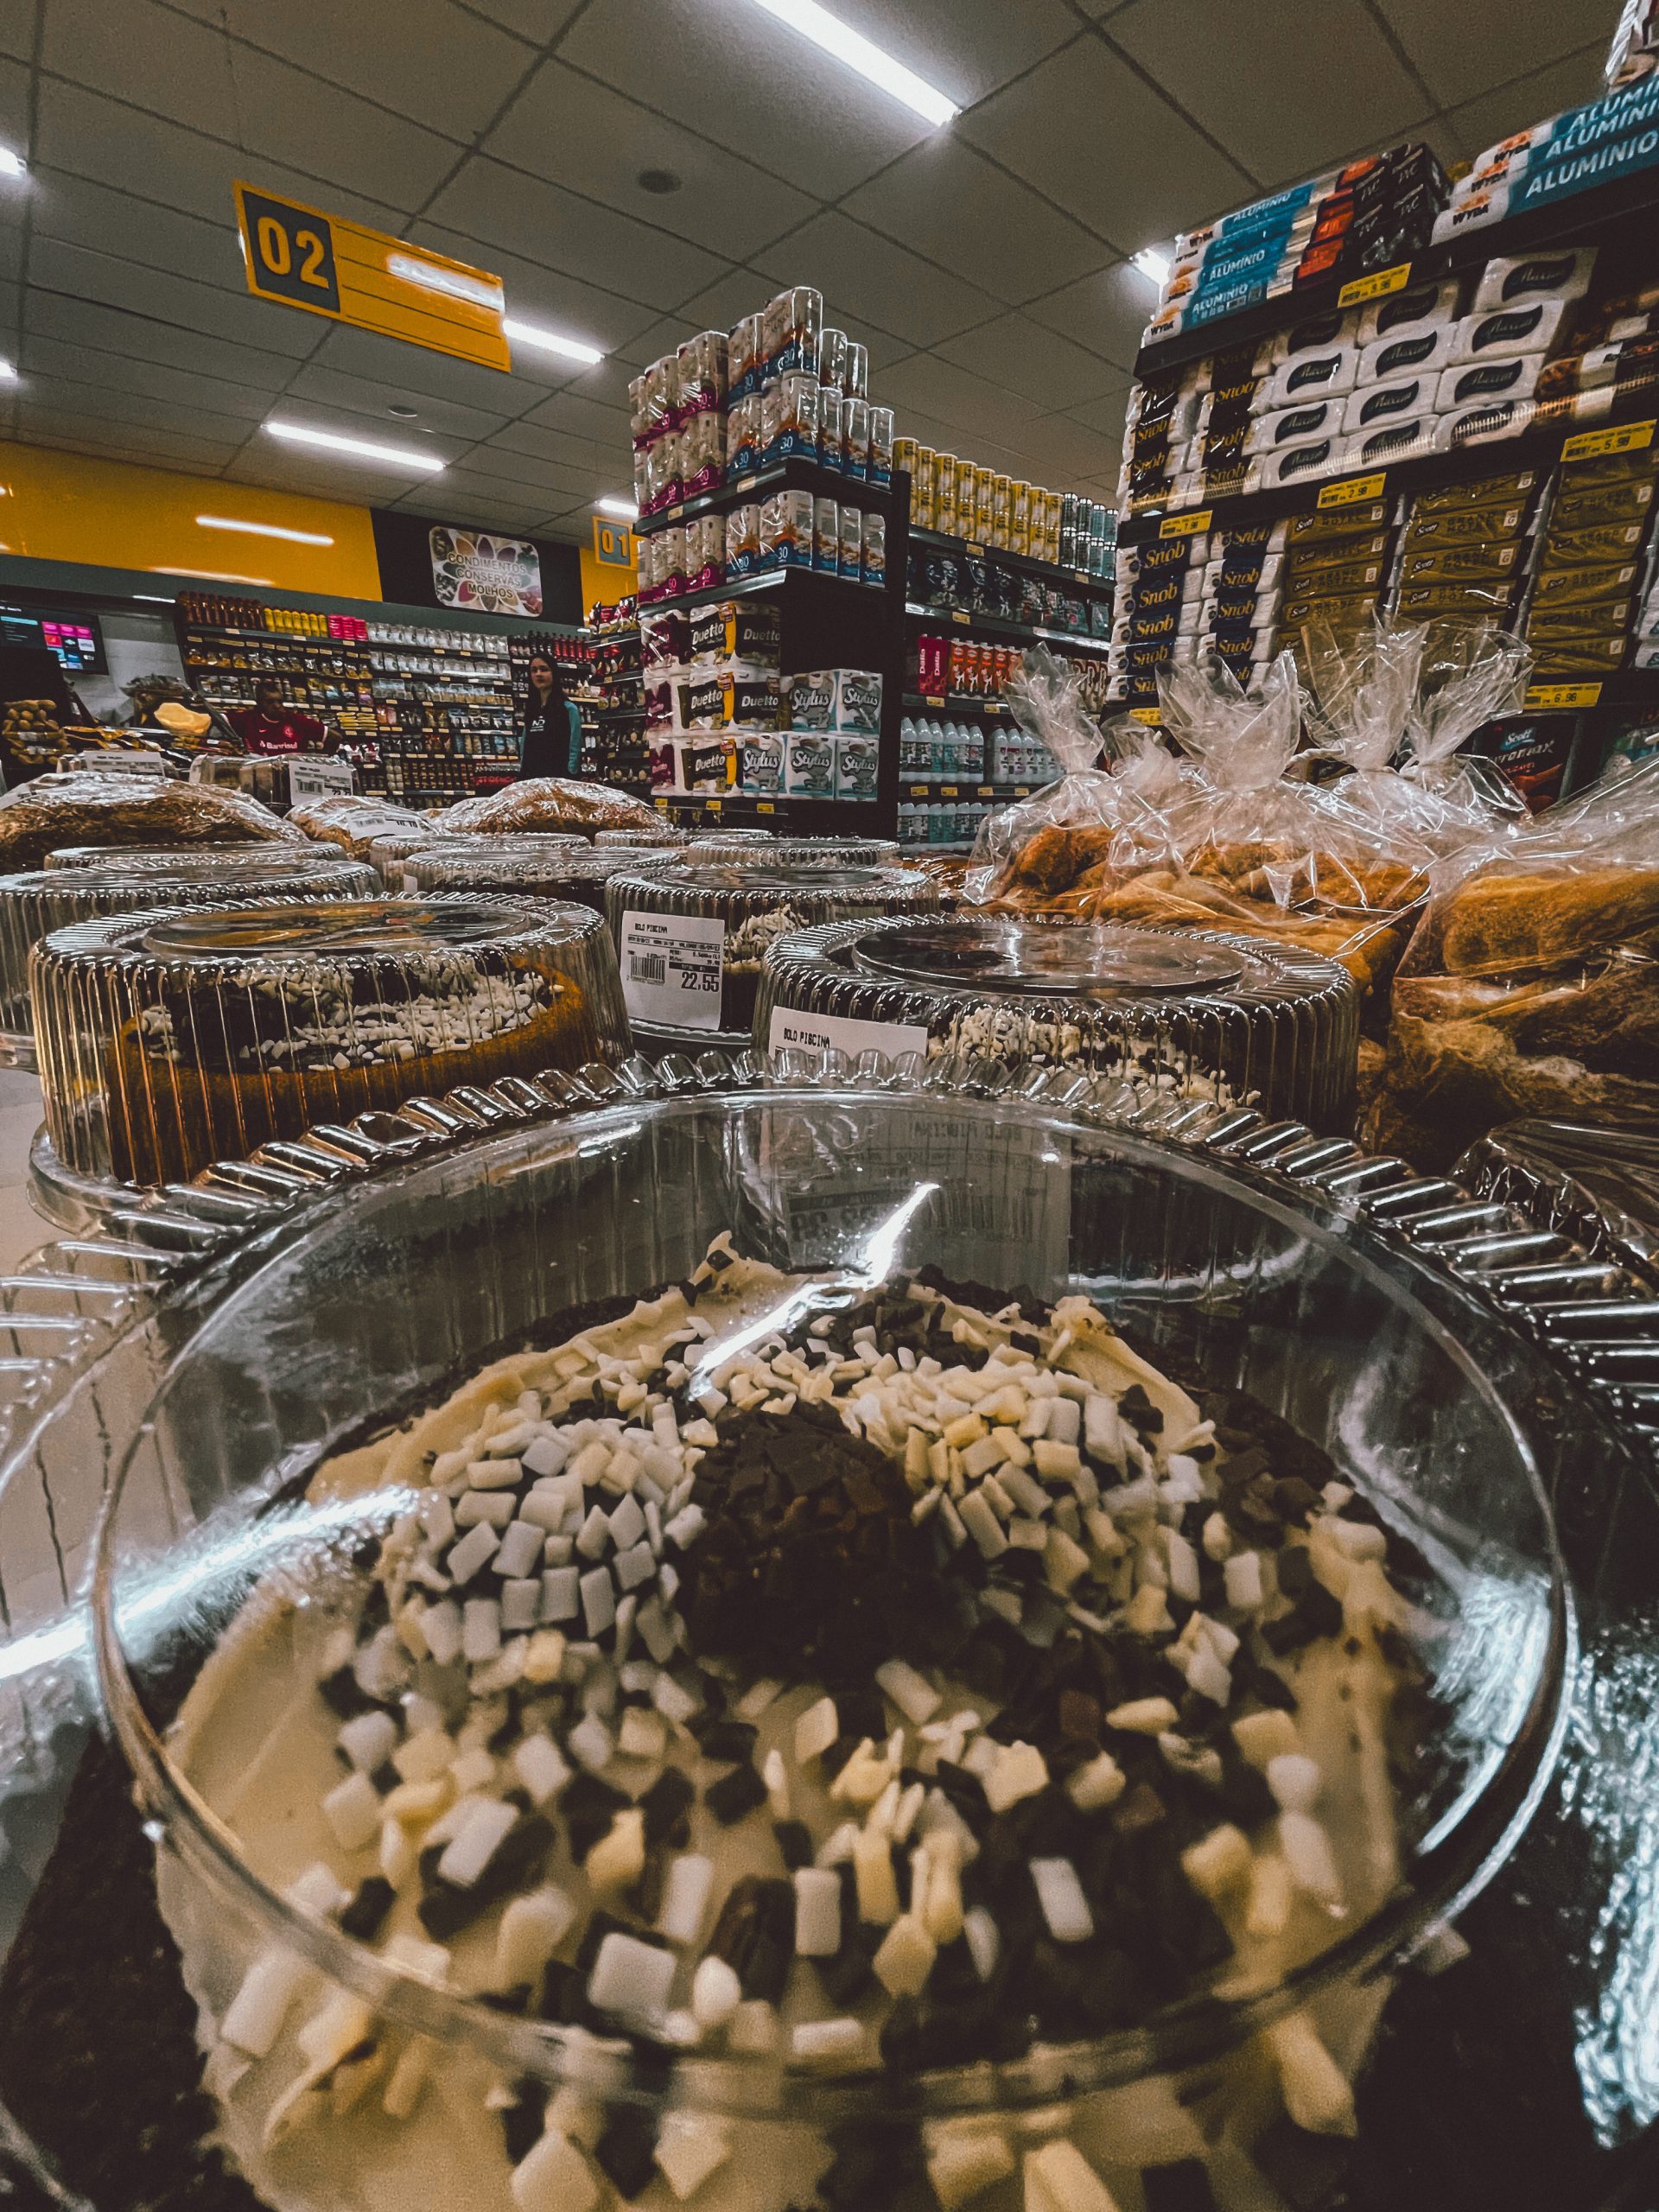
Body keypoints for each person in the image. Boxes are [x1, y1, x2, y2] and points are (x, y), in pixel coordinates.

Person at [228, 677, 333, 756]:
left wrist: (322, 762)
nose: (277, 706)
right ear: (259, 703)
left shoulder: (297, 720)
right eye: (270, 702)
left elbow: (334, 737)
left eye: (280, 701)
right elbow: (219, 720)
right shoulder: (248, 719)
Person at [518, 650, 582, 779]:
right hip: (532, 782)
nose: (538, 674)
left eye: (544, 669)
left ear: (554, 673)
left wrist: (570, 774)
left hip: (560, 781)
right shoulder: (531, 710)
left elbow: (574, 746)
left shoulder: (569, 709)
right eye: (534, 670)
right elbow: (525, 746)